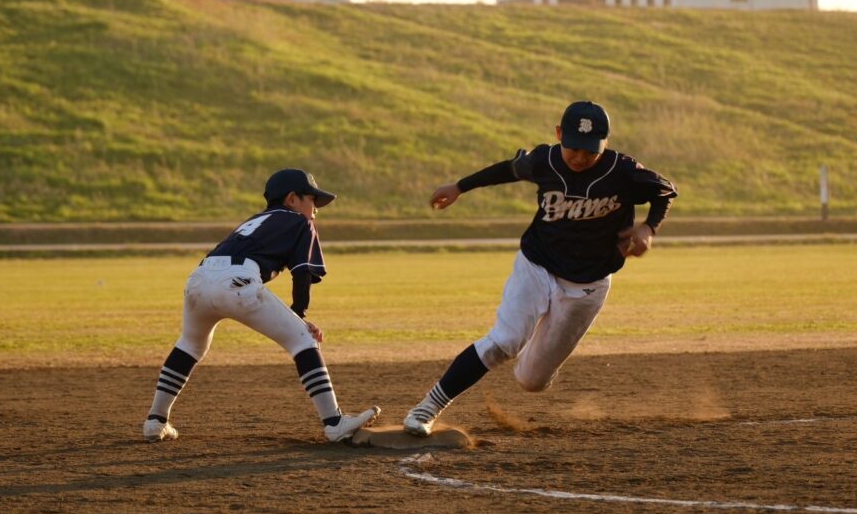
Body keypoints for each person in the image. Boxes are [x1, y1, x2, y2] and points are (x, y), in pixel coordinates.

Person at [403, 101, 678, 436]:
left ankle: (536, 350)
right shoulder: (544, 160)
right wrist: (459, 187)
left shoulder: (623, 171)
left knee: (531, 380)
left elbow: (664, 191)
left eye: (590, 151)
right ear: (559, 135)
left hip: (587, 285)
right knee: (503, 342)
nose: (579, 157)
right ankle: (426, 409)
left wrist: (648, 228)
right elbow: (507, 170)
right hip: (537, 265)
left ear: (605, 143)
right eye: (573, 147)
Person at [143, 168, 380, 443]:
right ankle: (334, 423)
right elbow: (302, 273)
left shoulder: (257, 220)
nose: (315, 209)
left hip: (198, 279)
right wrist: (300, 317)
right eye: (312, 199)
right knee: (302, 340)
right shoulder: (299, 222)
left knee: (190, 345)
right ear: (292, 199)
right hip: (236, 281)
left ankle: (155, 420)